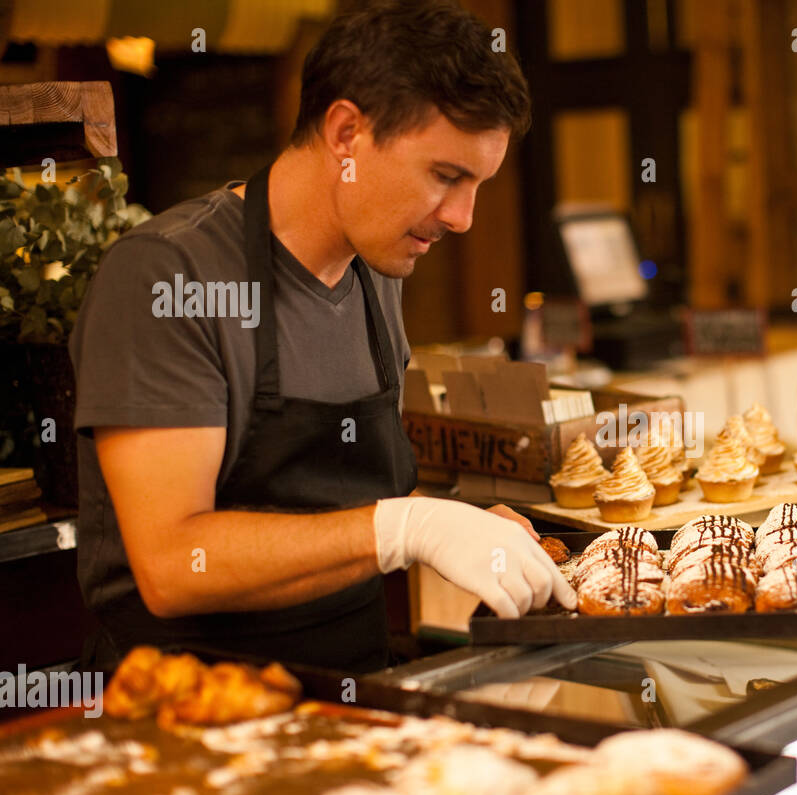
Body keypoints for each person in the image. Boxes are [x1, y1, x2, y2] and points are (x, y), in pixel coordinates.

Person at [70, 0, 575, 672]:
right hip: (197, 710)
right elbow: (172, 565)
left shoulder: (377, 273)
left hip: (355, 686)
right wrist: (406, 529)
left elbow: (331, 508)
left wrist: (455, 523)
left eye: (477, 184)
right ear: (346, 134)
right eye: (446, 176)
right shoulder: (167, 276)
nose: (462, 219)